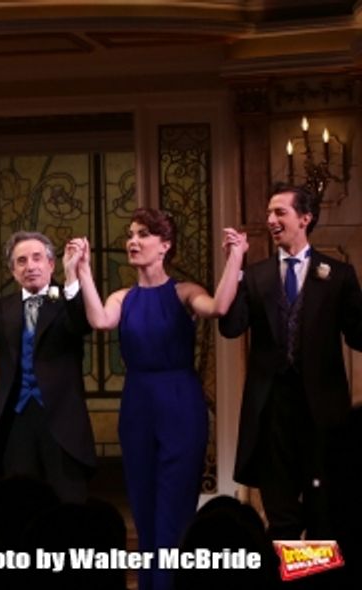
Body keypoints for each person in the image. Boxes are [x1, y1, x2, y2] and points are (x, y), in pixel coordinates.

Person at [72, 208, 244, 590]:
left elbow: (218, 307)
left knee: (174, 504)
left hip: (180, 404)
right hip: (137, 405)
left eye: (143, 234)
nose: (133, 241)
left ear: (165, 245)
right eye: (131, 234)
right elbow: (100, 321)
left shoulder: (185, 292)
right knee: (143, 503)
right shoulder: (122, 297)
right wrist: (83, 270)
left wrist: (235, 258)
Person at [219, 183, 362, 542]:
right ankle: (283, 571)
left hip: (322, 415)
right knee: (280, 515)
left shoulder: (339, 274)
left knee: (323, 516)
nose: (270, 219)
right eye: (269, 212)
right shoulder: (257, 275)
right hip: (271, 413)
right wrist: (235, 264)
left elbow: (359, 335)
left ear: (305, 218)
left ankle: (320, 573)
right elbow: (230, 327)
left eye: (279, 212)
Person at [0, 231, 94, 503]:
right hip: (16, 420)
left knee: (69, 506)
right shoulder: (4, 308)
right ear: (13, 271)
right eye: (21, 261)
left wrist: (72, 275)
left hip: (62, 421)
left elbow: (80, 324)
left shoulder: (69, 301)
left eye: (37, 258)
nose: (30, 266)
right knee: (22, 504)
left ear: (51, 264)